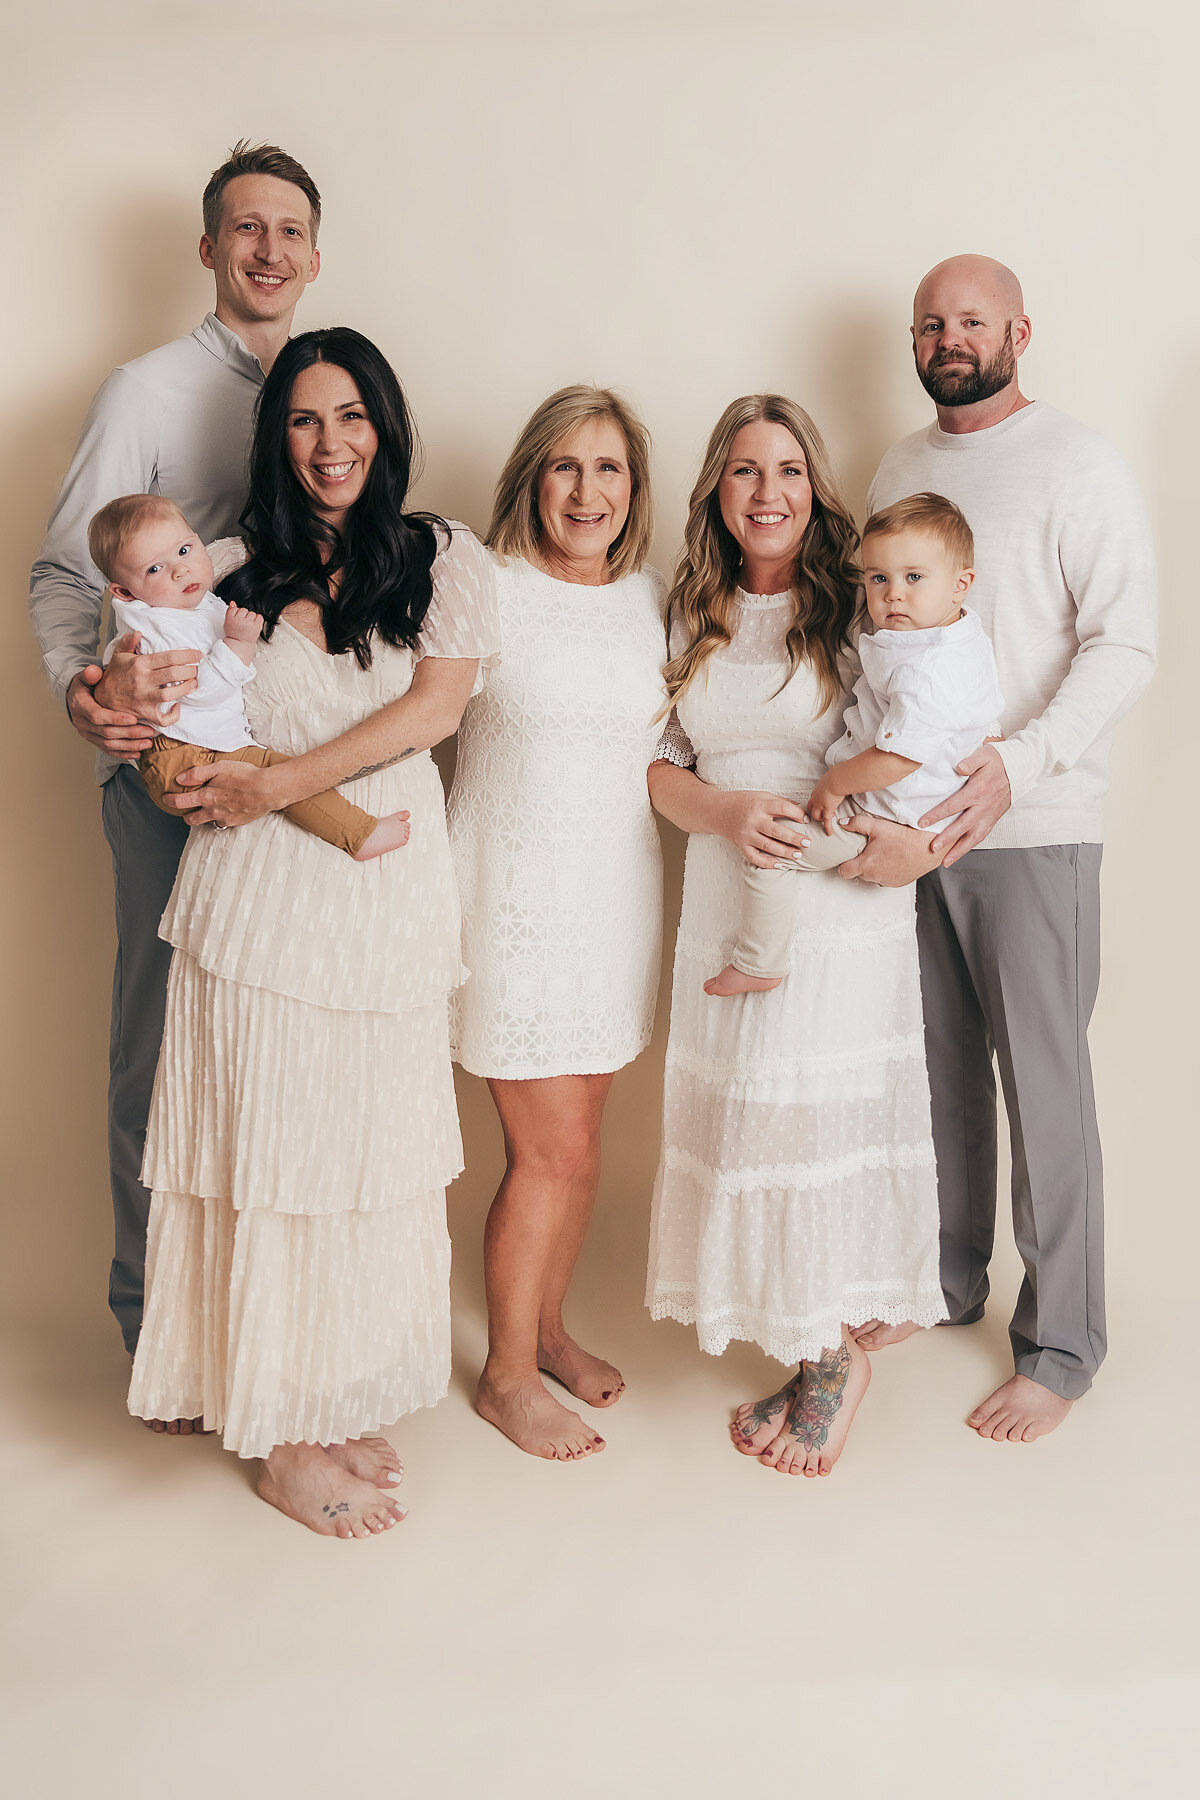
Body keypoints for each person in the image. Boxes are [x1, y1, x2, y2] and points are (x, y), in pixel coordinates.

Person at [126, 327, 500, 1537]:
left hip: (384, 895)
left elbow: (433, 710)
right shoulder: (224, 568)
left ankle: (323, 1390)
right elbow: (160, 723)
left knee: (359, 1158)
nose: (329, 443)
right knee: (274, 1156)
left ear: (384, 426)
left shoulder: (444, 557)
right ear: (274, 439)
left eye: (350, 416)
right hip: (257, 911)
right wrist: (158, 761)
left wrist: (278, 787)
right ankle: (279, 1432)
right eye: (302, 419)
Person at [28, 141, 322, 1403]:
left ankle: (262, 1328)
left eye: (290, 230)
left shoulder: (321, 390)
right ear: (209, 249)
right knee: (157, 1047)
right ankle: (156, 1332)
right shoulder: (143, 389)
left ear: (314, 253)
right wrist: (86, 699)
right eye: (244, 228)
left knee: (272, 1048)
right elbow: (58, 577)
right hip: (165, 777)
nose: (267, 249)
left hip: (285, 767)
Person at [852, 254, 1156, 1443]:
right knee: (935, 1073)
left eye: (972, 319)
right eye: (931, 321)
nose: (949, 336)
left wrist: (1018, 765)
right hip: (916, 833)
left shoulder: (1081, 463)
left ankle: (1063, 1345)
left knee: (1045, 1084)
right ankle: (944, 1278)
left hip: (1033, 826)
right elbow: (883, 649)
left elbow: (1126, 643)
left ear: (1019, 329)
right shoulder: (900, 469)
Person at [645, 395, 947, 1478]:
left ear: (813, 485)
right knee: (749, 1123)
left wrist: (903, 844)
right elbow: (657, 766)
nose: (765, 492)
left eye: (784, 469)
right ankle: (808, 1337)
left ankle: (835, 1362)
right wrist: (724, 813)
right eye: (742, 471)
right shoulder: (691, 609)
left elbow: (932, 730)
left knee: (807, 1120)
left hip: (834, 903)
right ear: (716, 494)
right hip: (727, 893)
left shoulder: (861, 610)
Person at [447, 386, 666, 1462]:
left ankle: (547, 1330)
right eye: (567, 468)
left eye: (611, 470)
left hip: (612, 899)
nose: (589, 491)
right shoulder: (479, 586)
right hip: (512, 894)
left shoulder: (652, 600)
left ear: (635, 489)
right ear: (533, 476)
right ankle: (505, 1377)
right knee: (546, 1151)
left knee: (583, 1150)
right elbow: (400, 706)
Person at [706, 492, 1002, 997]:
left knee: (773, 844)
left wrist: (833, 783)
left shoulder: (928, 670)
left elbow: (899, 756)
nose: (892, 595)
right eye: (878, 578)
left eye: (913, 578)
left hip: (891, 818)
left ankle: (760, 960)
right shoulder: (946, 633)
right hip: (900, 803)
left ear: (962, 585)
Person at [90, 493, 410, 860]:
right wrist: (237, 644)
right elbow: (197, 691)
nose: (180, 570)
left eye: (184, 550)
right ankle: (359, 834)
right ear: (124, 592)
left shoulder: (183, 605)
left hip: (193, 747)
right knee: (278, 774)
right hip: (183, 756)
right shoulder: (161, 629)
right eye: (154, 569)